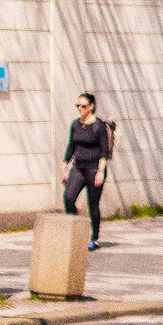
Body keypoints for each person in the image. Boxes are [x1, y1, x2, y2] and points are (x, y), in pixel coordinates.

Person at [62, 92, 112, 249]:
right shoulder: (75, 125)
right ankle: (76, 232)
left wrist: (100, 171)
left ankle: (94, 238)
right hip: (78, 167)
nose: (80, 109)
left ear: (91, 106)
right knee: (69, 198)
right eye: (77, 105)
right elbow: (71, 147)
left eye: (83, 106)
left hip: (93, 168)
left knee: (93, 204)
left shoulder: (99, 126)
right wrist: (64, 168)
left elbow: (104, 151)